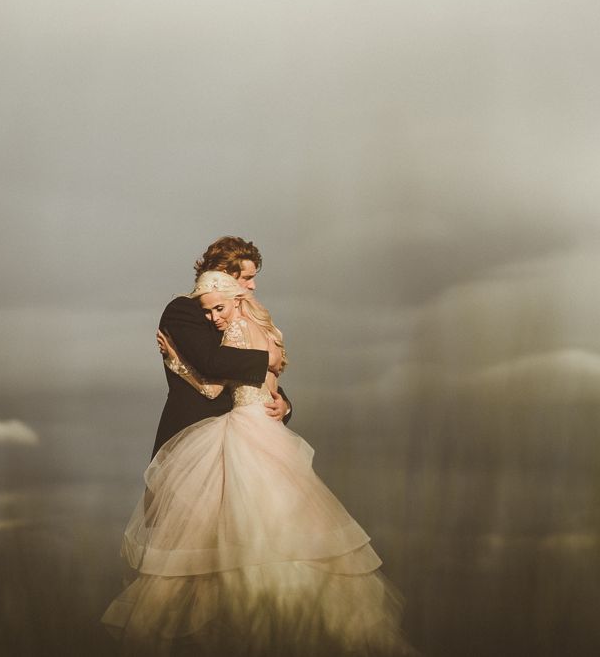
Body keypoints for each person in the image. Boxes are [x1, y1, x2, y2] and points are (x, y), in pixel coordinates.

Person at [101, 271, 418, 657]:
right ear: (230, 280)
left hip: (244, 433)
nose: (251, 286)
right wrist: (276, 391)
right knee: (278, 530)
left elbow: (214, 382)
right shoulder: (247, 326)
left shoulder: (236, 330)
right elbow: (251, 376)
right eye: (246, 277)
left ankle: (257, 629)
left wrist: (174, 360)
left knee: (241, 538)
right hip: (265, 434)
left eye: (222, 306)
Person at [151, 236, 291, 459]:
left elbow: (251, 378)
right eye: (246, 277)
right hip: (191, 440)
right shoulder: (183, 310)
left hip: (240, 443)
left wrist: (284, 405)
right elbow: (211, 361)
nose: (252, 285)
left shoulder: (243, 319)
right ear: (224, 273)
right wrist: (267, 359)